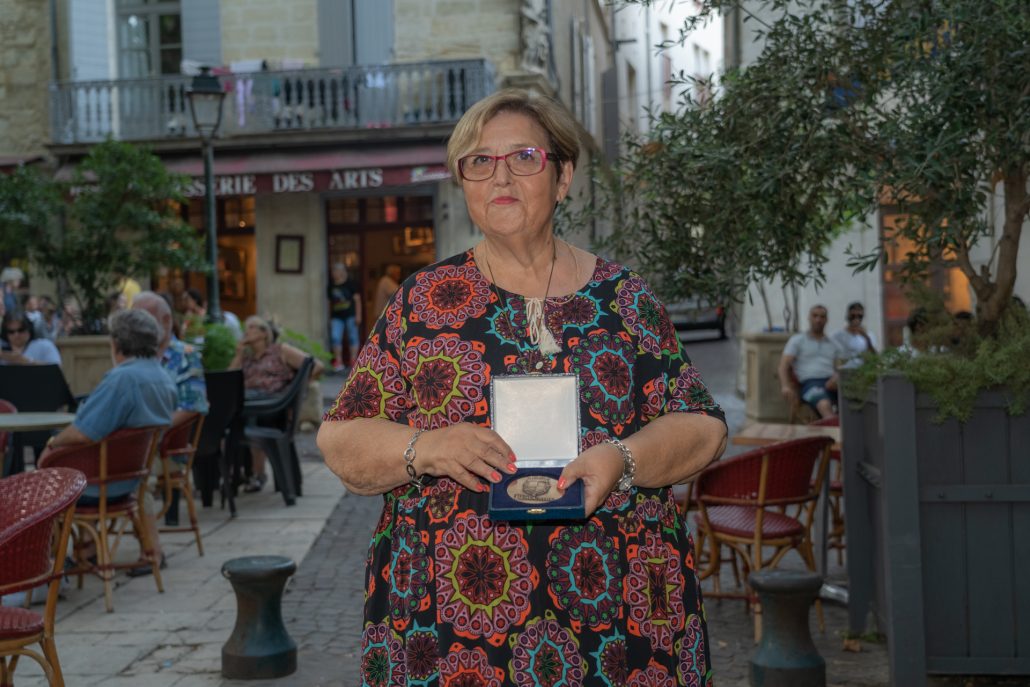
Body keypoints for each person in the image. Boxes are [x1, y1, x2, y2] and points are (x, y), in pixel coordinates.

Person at [317, 89, 728, 685]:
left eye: (524, 157)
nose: (500, 176)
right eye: (480, 161)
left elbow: (703, 425)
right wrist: (425, 447)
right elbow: (340, 440)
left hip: (621, 615)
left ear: (563, 176)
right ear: (464, 182)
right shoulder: (421, 303)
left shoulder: (625, 298)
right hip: (451, 626)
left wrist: (623, 457)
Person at [41, 308, 176, 572]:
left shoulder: (122, 379)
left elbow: (83, 432)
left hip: (100, 484)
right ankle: (86, 549)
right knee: (73, 463)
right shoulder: (162, 376)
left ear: (116, 342)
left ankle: (48, 566)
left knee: (41, 478)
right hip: (132, 478)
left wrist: (51, 444)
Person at [132, 291, 209, 535]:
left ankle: (148, 545)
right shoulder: (133, 356)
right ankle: (88, 545)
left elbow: (194, 406)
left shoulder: (186, 355)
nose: (136, 327)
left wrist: (154, 431)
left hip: (164, 446)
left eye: (143, 320)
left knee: (115, 471)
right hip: (129, 441)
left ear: (165, 321)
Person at [231, 315, 324, 492]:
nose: (246, 331)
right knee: (227, 421)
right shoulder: (247, 357)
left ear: (264, 333)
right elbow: (228, 381)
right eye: (246, 328)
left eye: (251, 327)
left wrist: (295, 389)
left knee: (252, 421)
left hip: (274, 407)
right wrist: (238, 355)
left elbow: (316, 366)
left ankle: (258, 475)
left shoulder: (280, 350)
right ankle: (234, 474)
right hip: (249, 403)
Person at [779, 304, 846, 418]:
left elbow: (842, 367)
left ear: (826, 320)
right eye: (815, 316)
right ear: (809, 318)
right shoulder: (797, 340)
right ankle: (834, 427)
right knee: (824, 404)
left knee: (855, 401)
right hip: (809, 384)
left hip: (831, 383)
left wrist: (837, 376)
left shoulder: (833, 343)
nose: (818, 320)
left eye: (822, 317)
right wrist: (785, 386)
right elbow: (783, 366)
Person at [327, 262, 361, 371]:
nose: (334, 273)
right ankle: (338, 362)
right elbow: (329, 303)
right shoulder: (331, 286)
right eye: (333, 271)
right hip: (336, 316)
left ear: (341, 272)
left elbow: (357, 300)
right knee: (335, 337)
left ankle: (353, 361)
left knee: (353, 337)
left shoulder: (350, 284)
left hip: (350, 315)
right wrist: (329, 317)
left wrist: (358, 315)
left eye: (336, 271)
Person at [831, 301, 877, 368]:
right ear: (847, 316)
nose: (856, 319)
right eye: (853, 316)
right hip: (845, 371)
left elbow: (874, 357)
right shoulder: (838, 335)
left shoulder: (869, 335)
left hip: (862, 371)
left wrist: (867, 339)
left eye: (859, 316)